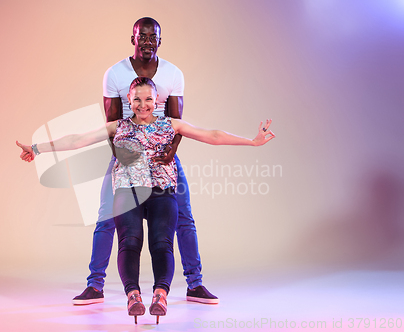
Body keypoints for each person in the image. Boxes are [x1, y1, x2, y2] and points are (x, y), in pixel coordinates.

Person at [16, 77, 275, 323]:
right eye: (137, 100)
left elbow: (213, 136)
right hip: (127, 192)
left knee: (162, 243)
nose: (143, 105)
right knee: (129, 242)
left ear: (157, 100)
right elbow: (77, 140)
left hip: (161, 191)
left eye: (148, 99)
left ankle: (160, 295)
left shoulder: (171, 124)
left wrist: (252, 142)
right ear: (129, 99)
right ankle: (133, 296)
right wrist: (37, 149)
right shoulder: (118, 127)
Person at [73, 16, 220, 306]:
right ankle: (95, 285)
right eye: (142, 36)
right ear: (133, 39)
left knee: (184, 218)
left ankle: (195, 283)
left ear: (160, 41)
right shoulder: (115, 73)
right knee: (106, 218)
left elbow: (176, 121)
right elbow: (112, 122)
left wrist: (171, 153)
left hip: (163, 156)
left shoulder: (173, 73)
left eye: (153, 37)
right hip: (127, 154)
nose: (147, 41)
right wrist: (125, 159)